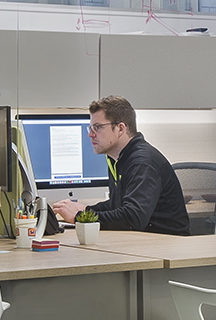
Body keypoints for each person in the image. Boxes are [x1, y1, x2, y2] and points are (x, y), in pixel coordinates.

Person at [49, 96, 190, 235]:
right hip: (145, 240)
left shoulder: (142, 162)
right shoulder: (117, 159)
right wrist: (87, 210)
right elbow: (118, 205)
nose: (90, 135)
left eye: (97, 127)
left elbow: (133, 218)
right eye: (90, 128)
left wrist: (79, 217)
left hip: (167, 244)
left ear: (120, 129)